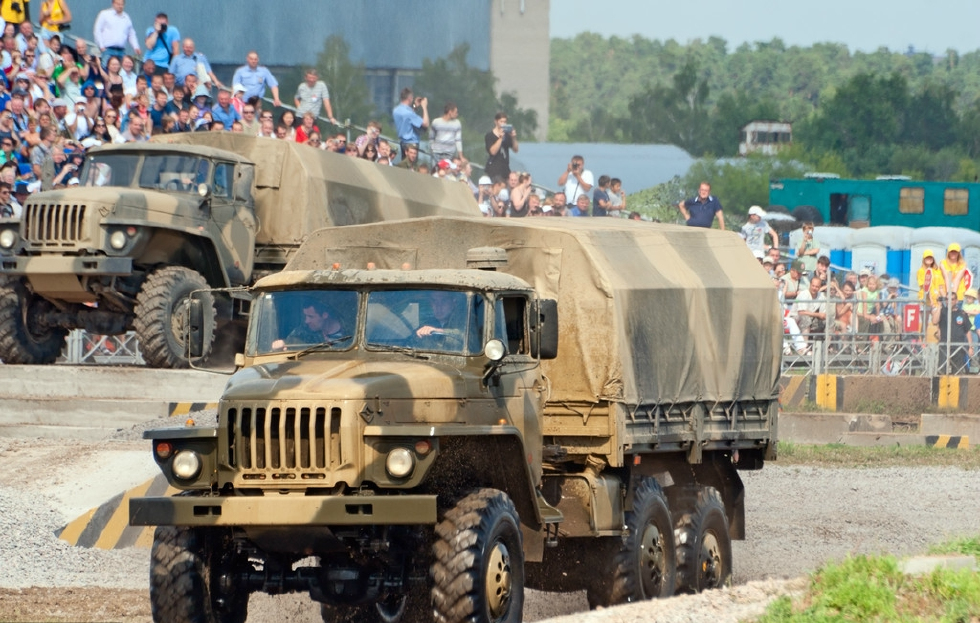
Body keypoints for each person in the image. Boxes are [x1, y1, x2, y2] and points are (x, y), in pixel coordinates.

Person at [270, 298, 351, 351]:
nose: (306, 321)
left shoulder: (351, 332)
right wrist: (280, 345)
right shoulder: (302, 332)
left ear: (325, 315)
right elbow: (288, 345)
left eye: (311, 317)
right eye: (305, 316)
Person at [934, 292, 973, 374]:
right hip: (944, 346)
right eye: (947, 299)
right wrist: (939, 306)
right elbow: (934, 321)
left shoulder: (962, 313)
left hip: (958, 348)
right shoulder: (942, 311)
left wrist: (970, 347)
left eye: (952, 299)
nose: (949, 301)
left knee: (957, 373)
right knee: (942, 372)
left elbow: (967, 331)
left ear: (956, 301)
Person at [93, 0, 140, 66]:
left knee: (121, 72)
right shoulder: (105, 14)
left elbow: (131, 33)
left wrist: (136, 47)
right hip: (108, 50)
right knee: (106, 69)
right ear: (113, 3)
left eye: (122, 4)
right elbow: (97, 30)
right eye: (118, 4)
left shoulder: (126, 18)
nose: (120, 6)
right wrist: (101, 46)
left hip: (121, 51)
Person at [392, 87, 427, 159]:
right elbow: (425, 123)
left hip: (403, 142)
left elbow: (409, 118)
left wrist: (415, 106)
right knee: (411, 167)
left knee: (404, 163)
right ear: (410, 98)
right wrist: (424, 107)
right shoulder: (408, 113)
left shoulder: (396, 110)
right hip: (412, 142)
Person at [484, 111, 518, 183]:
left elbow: (516, 149)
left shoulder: (507, 136)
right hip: (494, 169)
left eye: (505, 122)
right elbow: (492, 152)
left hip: (505, 168)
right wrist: (500, 138)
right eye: (501, 121)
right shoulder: (489, 135)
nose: (503, 124)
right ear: (496, 122)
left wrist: (513, 138)